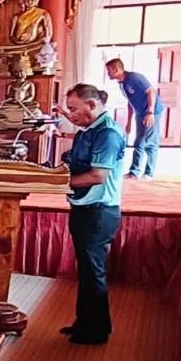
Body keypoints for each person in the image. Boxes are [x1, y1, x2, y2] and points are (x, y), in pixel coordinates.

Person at [57, 83, 127, 345]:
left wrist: (56, 182)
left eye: (74, 109)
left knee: (93, 272)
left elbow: (97, 176)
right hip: (84, 207)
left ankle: (97, 331)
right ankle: (84, 322)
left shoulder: (107, 133)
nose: (71, 115)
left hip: (99, 211)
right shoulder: (89, 130)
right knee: (86, 271)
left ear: (92, 104)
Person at [105, 58, 164, 180]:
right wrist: (129, 122)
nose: (108, 73)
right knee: (140, 142)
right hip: (140, 113)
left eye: (109, 70)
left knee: (146, 142)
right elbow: (130, 102)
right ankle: (136, 172)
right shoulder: (122, 84)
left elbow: (151, 92)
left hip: (151, 112)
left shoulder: (134, 78)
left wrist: (150, 112)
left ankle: (146, 172)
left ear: (116, 69)